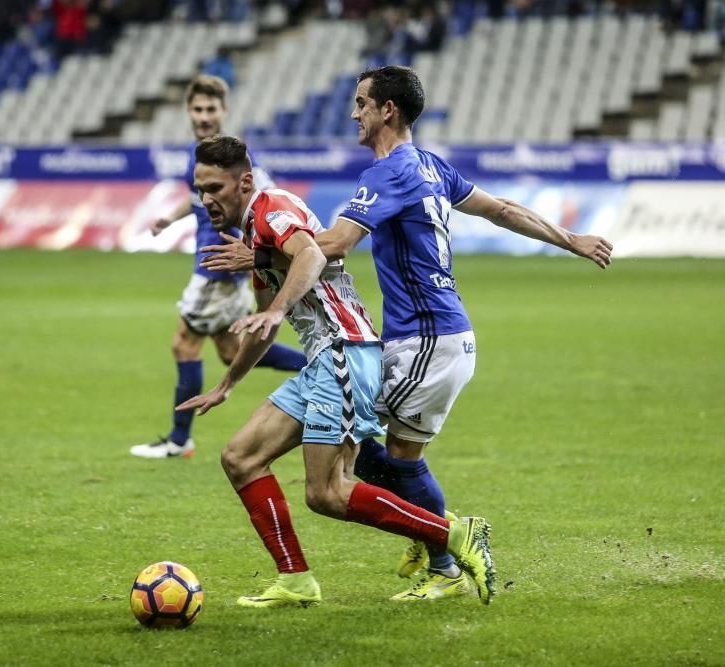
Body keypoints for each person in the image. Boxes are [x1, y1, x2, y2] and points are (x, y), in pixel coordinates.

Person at [199, 65, 612, 601]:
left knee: (359, 462)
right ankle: (428, 534)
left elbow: (334, 244)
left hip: (427, 339)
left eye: (361, 104)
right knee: (372, 443)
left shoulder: (388, 173)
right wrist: (570, 239)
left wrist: (259, 256)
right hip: (433, 338)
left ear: (386, 110)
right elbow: (503, 209)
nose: (354, 114)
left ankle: (442, 544)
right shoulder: (431, 167)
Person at [177, 135, 495, 608]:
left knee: (326, 492)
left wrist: (277, 306)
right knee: (240, 458)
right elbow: (264, 325)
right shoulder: (253, 235)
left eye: (215, 188)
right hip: (326, 358)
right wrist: (226, 385)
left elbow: (314, 254)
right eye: (200, 189)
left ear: (244, 181)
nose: (206, 200)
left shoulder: (272, 207)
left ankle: (453, 534)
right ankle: (295, 581)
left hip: (344, 353)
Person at [130, 75, 306, 460]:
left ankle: (180, 440)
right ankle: (314, 363)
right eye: (198, 109)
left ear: (224, 111)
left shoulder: (235, 158)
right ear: (189, 111)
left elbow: (267, 197)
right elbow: (197, 199)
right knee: (230, 351)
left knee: (184, 344)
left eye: (211, 109)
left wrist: (253, 249)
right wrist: (169, 220)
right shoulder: (204, 152)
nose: (204, 115)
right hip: (216, 263)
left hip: (219, 266)